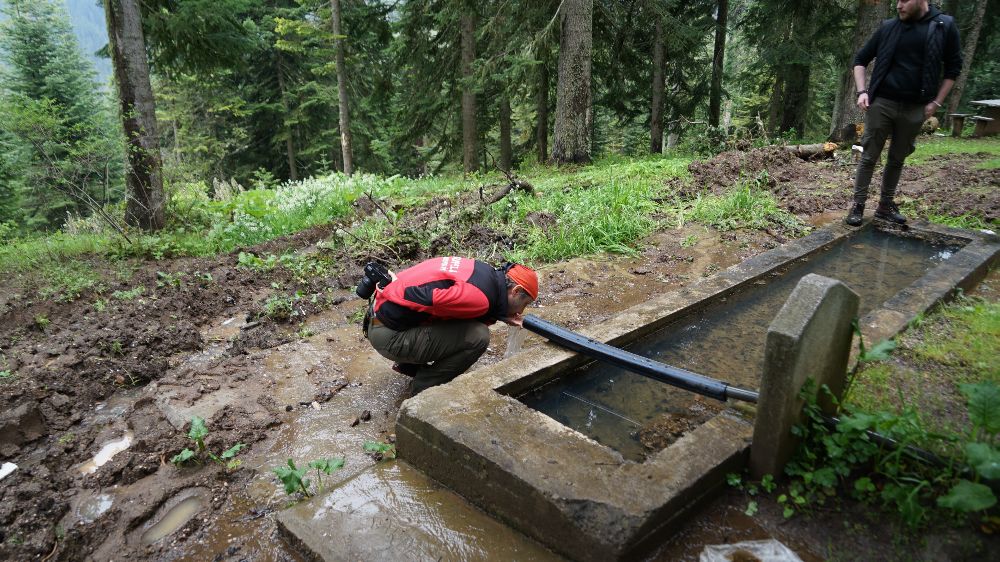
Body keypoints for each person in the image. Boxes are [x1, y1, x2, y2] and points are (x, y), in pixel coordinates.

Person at [846, 0, 962, 227]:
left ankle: (884, 206)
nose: (899, 5)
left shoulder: (944, 26)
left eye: (904, 0)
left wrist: (937, 103)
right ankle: (858, 205)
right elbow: (860, 60)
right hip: (882, 104)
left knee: (897, 159)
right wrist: (862, 92)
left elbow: (953, 69)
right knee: (869, 155)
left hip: (915, 108)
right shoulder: (888, 27)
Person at [364, 256, 539, 396]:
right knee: (478, 337)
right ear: (515, 291)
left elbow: (453, 302)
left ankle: (408, 366)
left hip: (380, 316)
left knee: (463, 321)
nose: (522, 310)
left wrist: (501, 315)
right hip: (388, 334)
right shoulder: (479, 298)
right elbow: (423, 298)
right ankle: (422, 390)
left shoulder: (483, 272)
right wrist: (389, 288)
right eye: (525, 303)